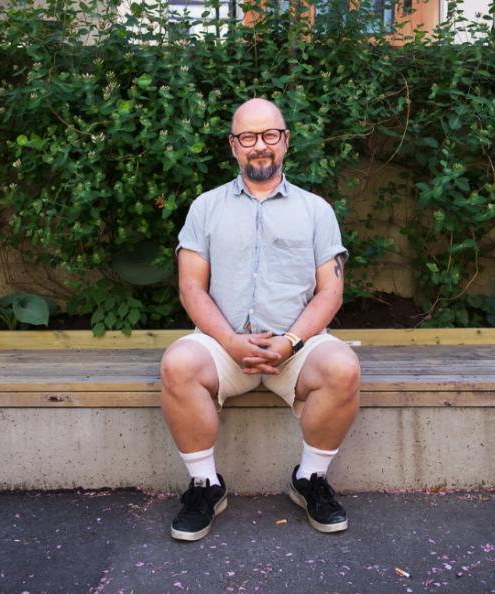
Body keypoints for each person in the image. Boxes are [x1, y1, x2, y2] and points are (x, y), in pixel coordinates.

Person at [161, 97, 361, 542]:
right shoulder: (205, 207)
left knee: (344, 367)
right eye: (248, 137)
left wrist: (291, 340)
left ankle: (309, 479)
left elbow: (330, 290)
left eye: (269, 135)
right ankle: (205, 486)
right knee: (177, 363)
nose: (260, 146)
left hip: (296, 347)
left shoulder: (315, 210)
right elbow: (191, 287)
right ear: (234, 146)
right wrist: (230, 342)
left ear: (285, 141)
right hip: (222, 345)